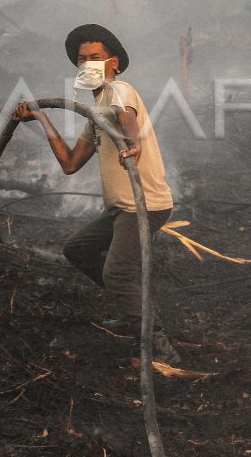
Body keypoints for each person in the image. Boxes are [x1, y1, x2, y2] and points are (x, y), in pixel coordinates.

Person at [12, 24, 180, 365]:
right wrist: (43, 120)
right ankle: (133, 307)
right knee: (77, 249)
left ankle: (160, 346)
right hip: (121, 209)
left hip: (143, 205)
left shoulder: (119, 89)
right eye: (82, 59)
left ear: (113, 63)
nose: (87, 64)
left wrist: (133, 144)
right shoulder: (95, 113)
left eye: (96, 58)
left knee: (116, 273)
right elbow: (71, 163)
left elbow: (127, 118)